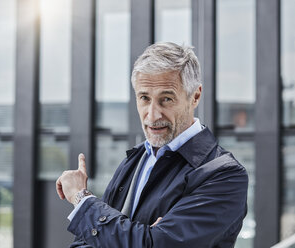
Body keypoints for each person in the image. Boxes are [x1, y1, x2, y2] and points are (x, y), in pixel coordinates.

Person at [56, 42, 248, 248]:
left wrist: (82, 199)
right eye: (144, 98)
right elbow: (90, 242)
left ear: (195, 96)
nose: (153, 115)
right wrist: (140, 235)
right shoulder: (137, 158)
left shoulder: (225, 175)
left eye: (166, 99)